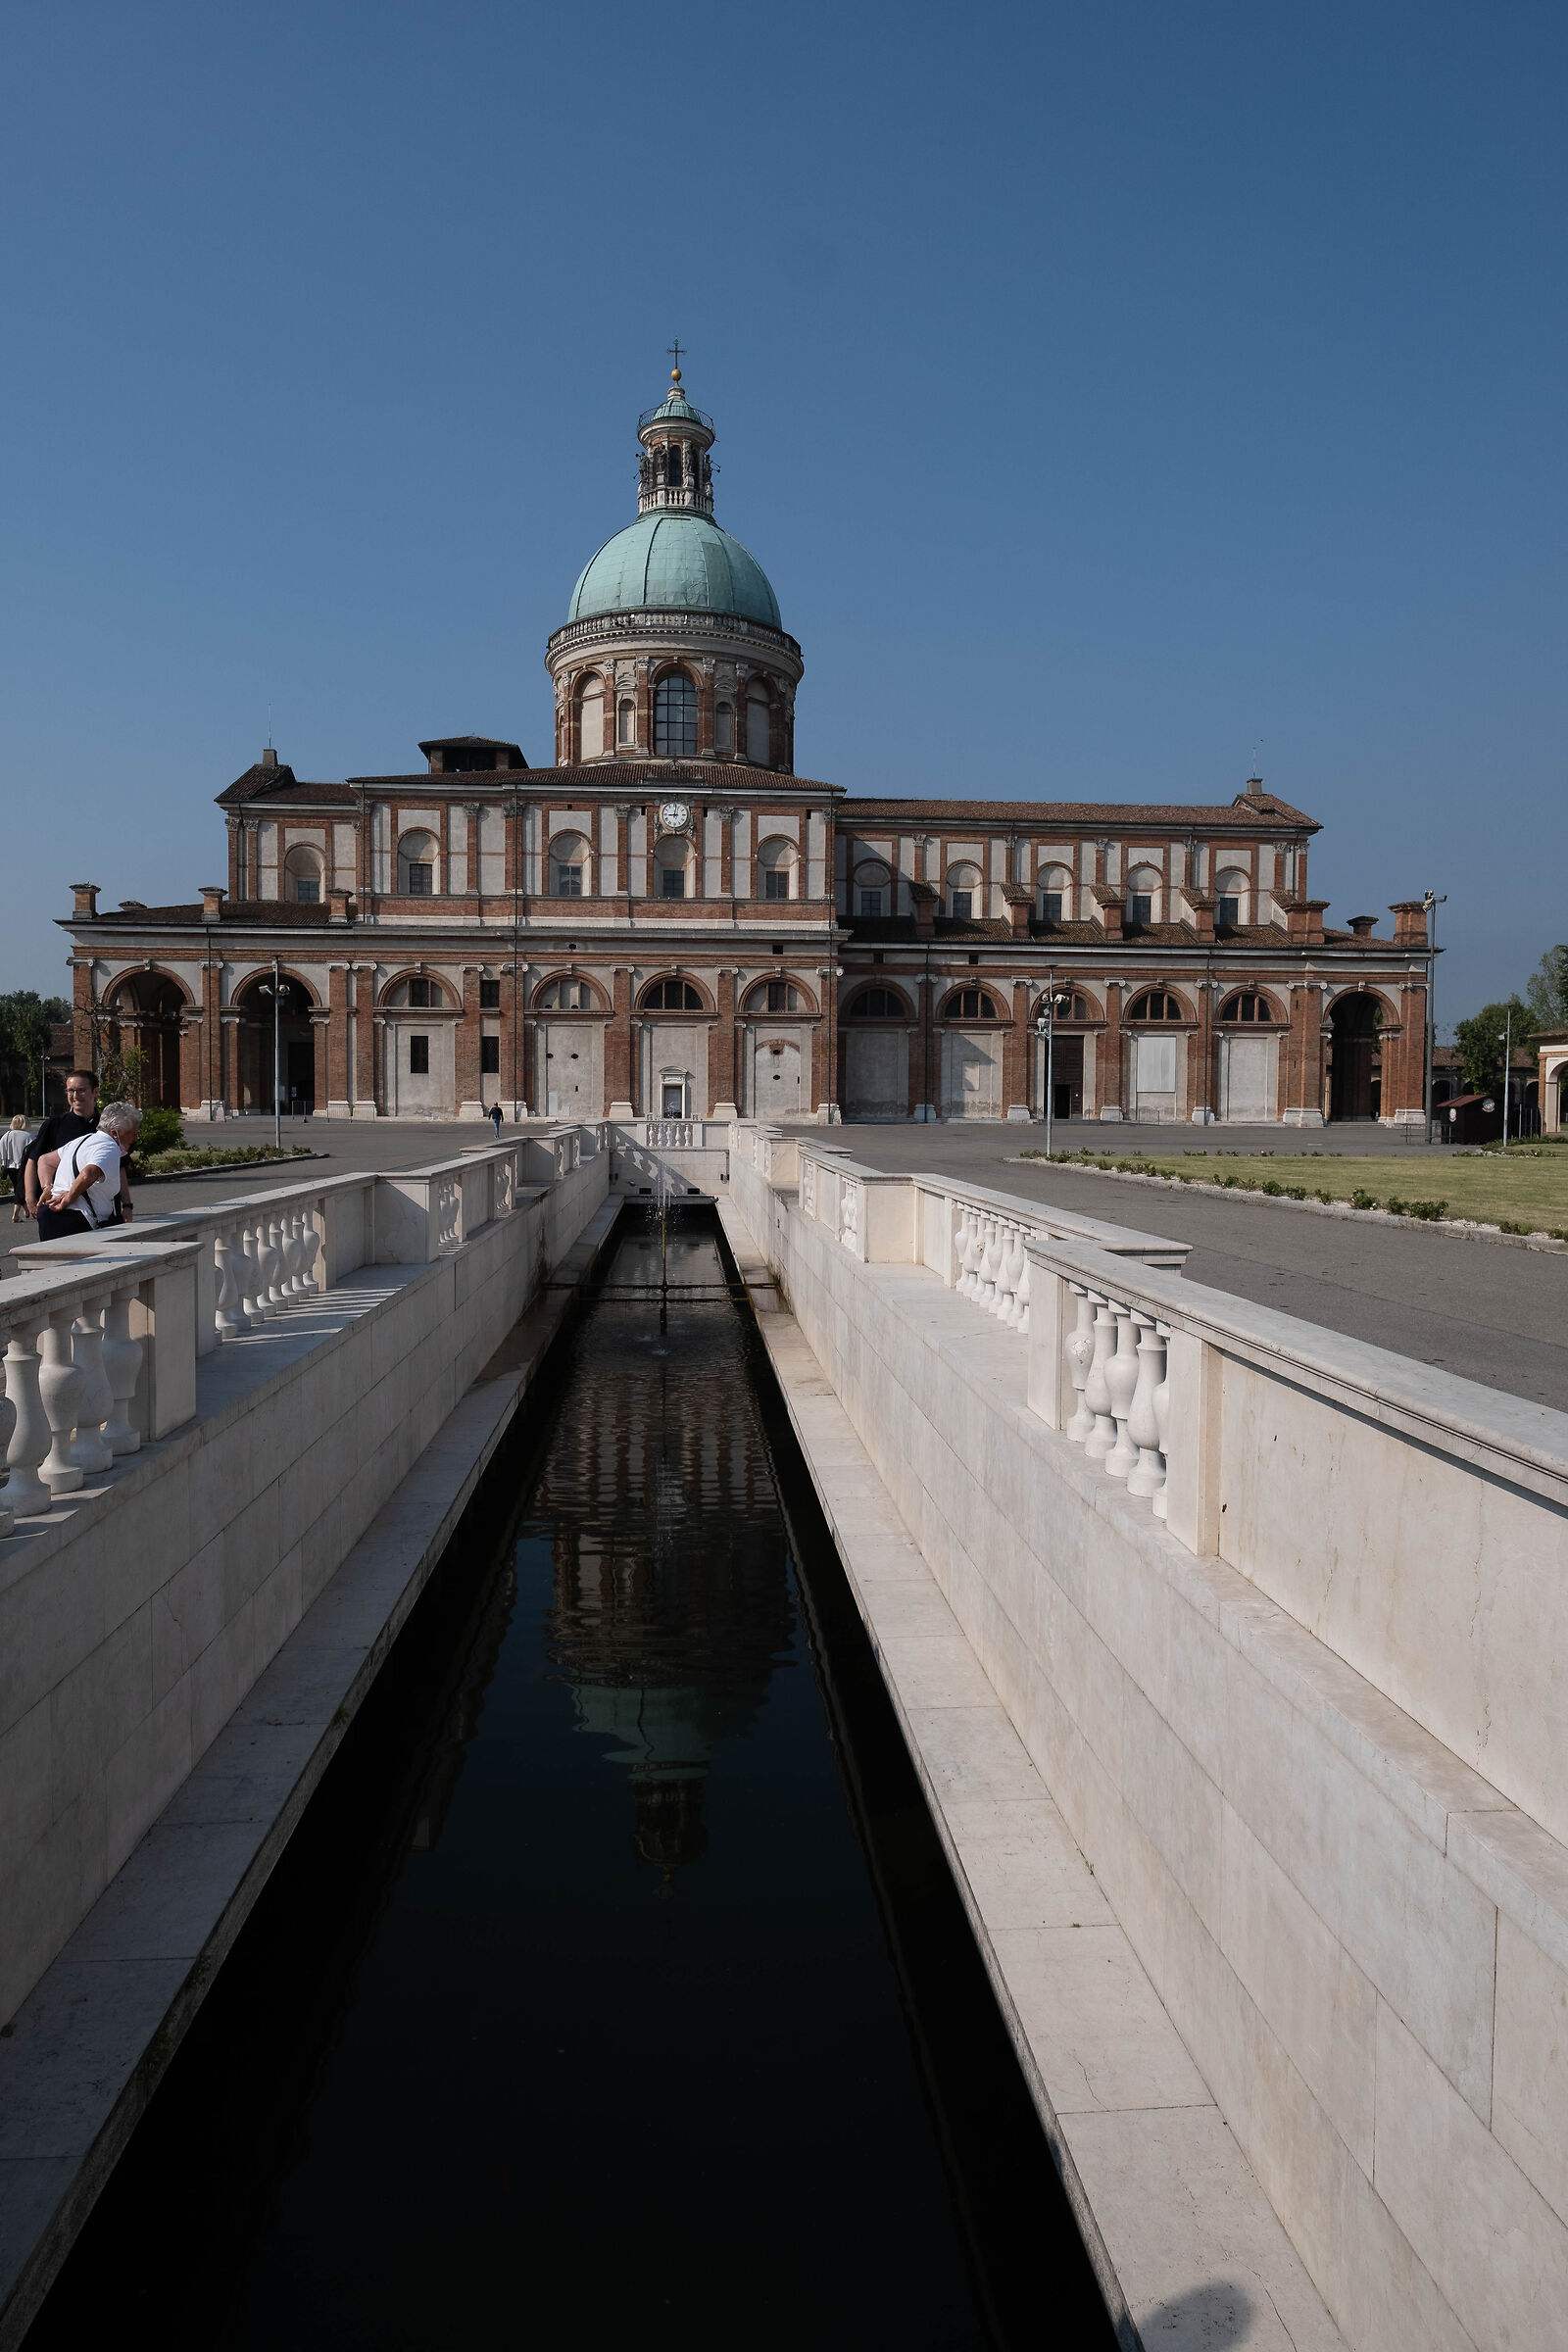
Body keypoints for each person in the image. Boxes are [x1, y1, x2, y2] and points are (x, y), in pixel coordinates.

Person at [24, 1071, 133, 1229]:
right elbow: (34, 1160)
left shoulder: (108, 1126)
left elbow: (120, 1167)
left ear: (95, 1092)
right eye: (70, 1090)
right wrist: (31, 1198)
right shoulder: (54, 1125)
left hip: (103, 1210)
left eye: (81, 1090)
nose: (75, 1095)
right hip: (65, 1211)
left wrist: (127, 1205)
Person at [38, 1102, 141, 1238]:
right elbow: (89, 1173)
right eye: (132, 1133)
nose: (135, 1138)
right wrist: (69, 1198)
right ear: (114, 1133)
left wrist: (47, 1187)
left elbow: (45, 1161)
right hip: (76, 1222)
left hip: (52, 1216)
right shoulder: (109, 1146)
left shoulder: (83, 1140)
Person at [2, 1113, 35, 1221]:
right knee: (21, 1189)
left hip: (10, 1166)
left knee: (18, 1188)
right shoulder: (29, 1136)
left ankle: (26, 1211)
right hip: (24, 1166)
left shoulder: (6, 1135)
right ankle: (15, 1215)